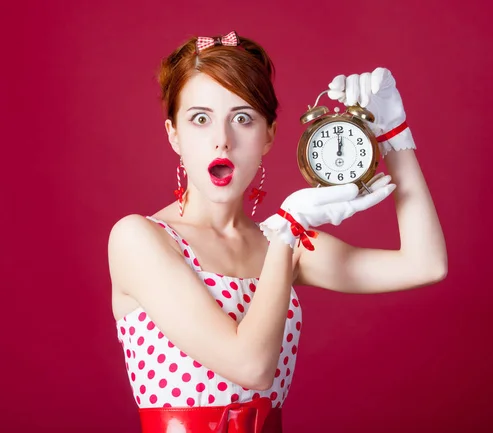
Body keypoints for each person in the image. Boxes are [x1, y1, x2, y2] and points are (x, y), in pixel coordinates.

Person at [108, 30, 447, 433]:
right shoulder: (139, 238)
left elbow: (425, 264)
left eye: (243, 118)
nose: (222, 141)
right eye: (200, 119)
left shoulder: (281, 242)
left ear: (268, 135)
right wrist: (288, 232)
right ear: (173, 135)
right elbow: (251, 366)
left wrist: (394, 134)